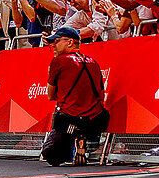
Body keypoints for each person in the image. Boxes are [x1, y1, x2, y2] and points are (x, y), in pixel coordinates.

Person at [41, 26, 109, 166]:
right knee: (90, 117)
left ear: (70, 42)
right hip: (96, 119)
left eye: (57, 41)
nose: (53, 45)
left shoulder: (58, 61)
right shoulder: (93, 61)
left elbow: (50, 95)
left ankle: (74, 142)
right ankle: (86, 140)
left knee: (51, 156)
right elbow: (101, 95)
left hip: (69, 118)